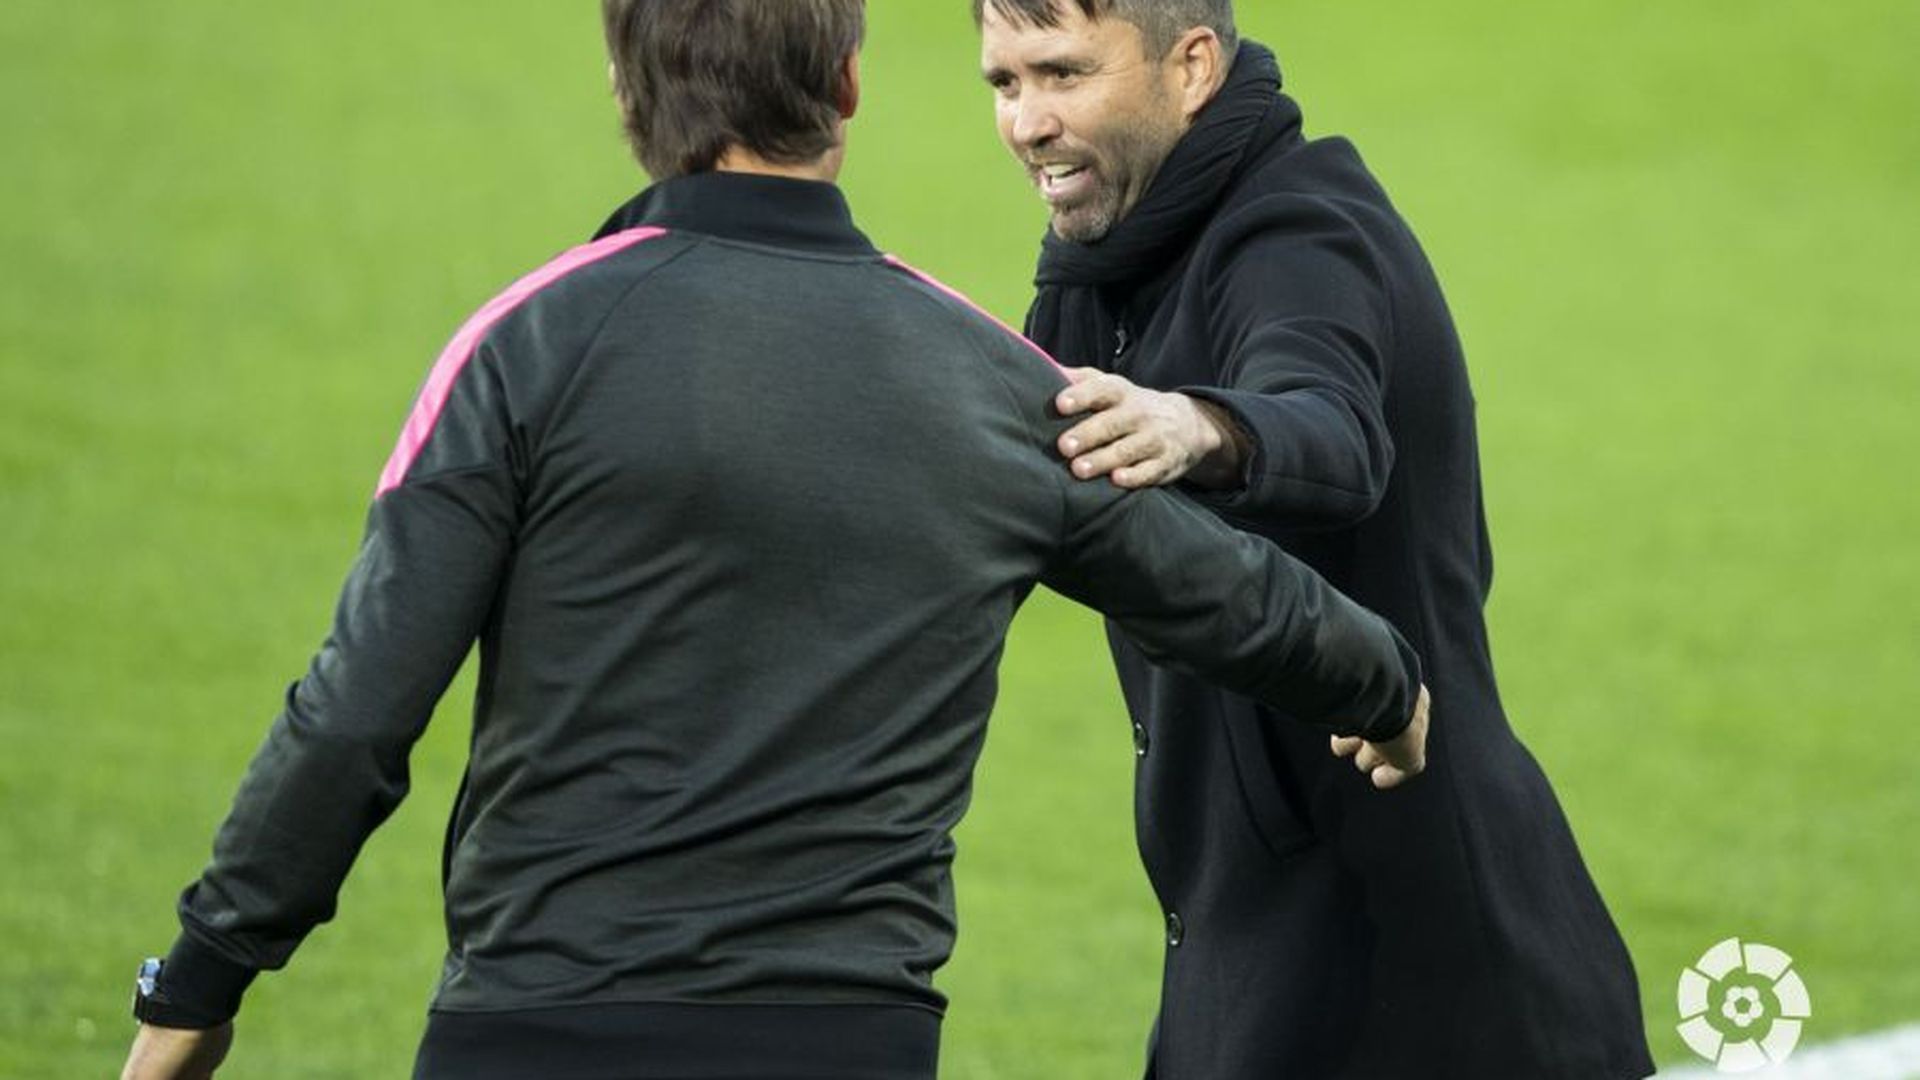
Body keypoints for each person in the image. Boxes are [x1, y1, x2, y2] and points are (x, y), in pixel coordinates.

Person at [118, 2, 1434, 1078]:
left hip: (535, 1029)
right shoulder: (987, 379)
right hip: (848, 1039)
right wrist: (1385, 689)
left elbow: (354, 719)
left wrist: (204, 978)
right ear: (848, 87)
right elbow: (1235, 596)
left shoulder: (525, 348)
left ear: (628, 90)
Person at [973, 1, 1656, 1076]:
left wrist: (1197, 423)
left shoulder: (1301, 232)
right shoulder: (1107, 264)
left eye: (1062, 74)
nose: (1027, 122)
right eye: (1004, 84)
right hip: (1243, 940)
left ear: (1191, 65)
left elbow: (1331, 431)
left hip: (1426, 967)